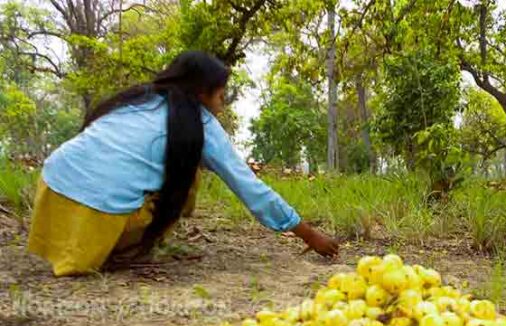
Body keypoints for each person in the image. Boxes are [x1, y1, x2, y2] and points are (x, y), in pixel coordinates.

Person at [28, 51, 338, 276]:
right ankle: (119, 249)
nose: (222, 103)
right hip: (96, 211)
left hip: (52, 186)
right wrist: (308, 234)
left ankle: (81, 245)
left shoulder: (139, 99)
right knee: (186, 175)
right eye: (221, 95)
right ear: (203, 93)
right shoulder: (201, 125)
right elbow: (250, 187)